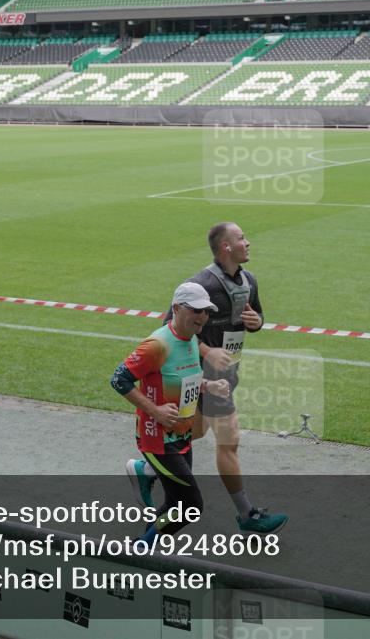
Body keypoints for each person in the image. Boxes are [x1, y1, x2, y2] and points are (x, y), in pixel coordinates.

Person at [126, 222, 288, 535]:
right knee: (229, 440)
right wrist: (208, 351)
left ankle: (145, 470)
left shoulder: (248, 280)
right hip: (196, 376)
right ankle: (247, 515)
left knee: (195, 433)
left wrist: (257, 322)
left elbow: (255, 318)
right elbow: (169, 327)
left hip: (225, 376)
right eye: (241, 238)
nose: (248, 242)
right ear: (225, 247)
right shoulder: (201, 285)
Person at [111, 282, 229, 544]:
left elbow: (186, 379)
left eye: (207, 311)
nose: (203, 317)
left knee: (177, 503)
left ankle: (144, 544)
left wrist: (209, 386)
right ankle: (142, 547)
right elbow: (119, 380)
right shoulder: (157, 345)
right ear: (176, 308)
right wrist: (156, 411)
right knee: (191, 505)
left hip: (181, 436)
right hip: (157, 440)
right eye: (196, 310)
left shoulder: (191, 339)